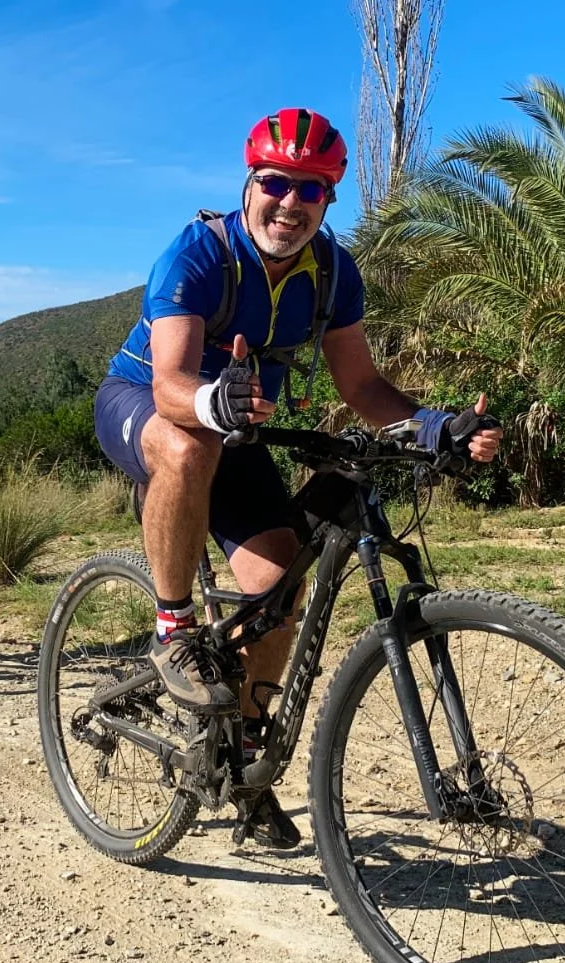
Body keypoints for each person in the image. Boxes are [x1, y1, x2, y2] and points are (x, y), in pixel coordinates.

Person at [94, 107, 502, 848]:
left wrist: (436, 423)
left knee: (278, 588)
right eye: (277, 182)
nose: (291, 202)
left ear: (328, 200)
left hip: (239, 424)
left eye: (310, 190)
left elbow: (364, 389)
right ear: (251, 183)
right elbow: (170, 385)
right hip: (147, 404)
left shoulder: (334, 272)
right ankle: (173, 627)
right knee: (187, 450)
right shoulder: (198, 255)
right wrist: (213, 400)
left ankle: (246, 762)